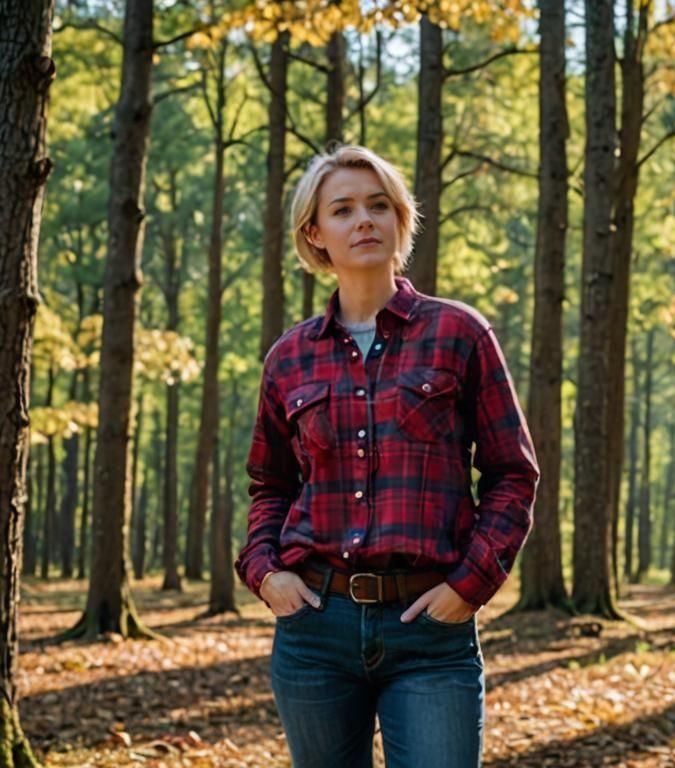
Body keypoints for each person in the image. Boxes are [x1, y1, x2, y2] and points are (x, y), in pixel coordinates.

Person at [235, 144, 539, 768]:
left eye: (378, 205)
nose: (364, 220)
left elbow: (513, 473)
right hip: (315, 629)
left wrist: (470, 584)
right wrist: (265, 571)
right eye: (342, 210)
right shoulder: (289, 358)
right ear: (316, 234)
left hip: (430, 628)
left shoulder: (459, 334)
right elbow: (270, 484)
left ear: (401, 220)